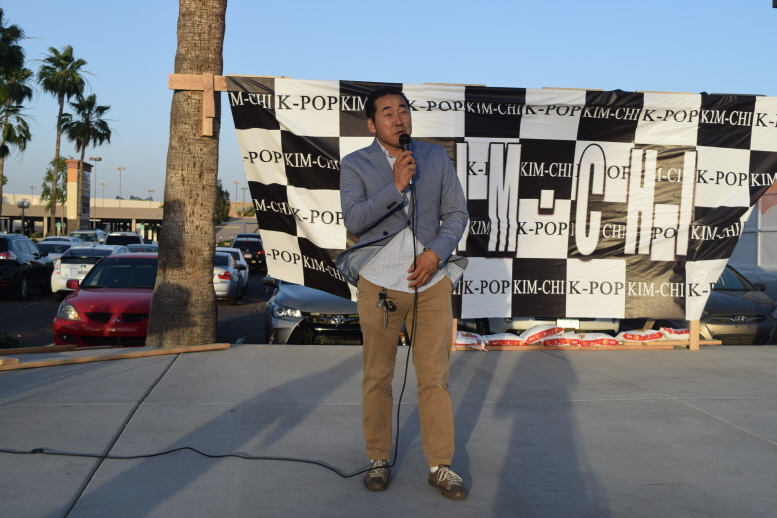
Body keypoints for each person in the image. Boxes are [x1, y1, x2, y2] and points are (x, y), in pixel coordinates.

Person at [336, 86, 469, 500]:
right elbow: (354, 219)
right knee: (378, 375)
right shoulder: (355, 164)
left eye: (404, 110)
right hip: (380, 283)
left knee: (435, 377)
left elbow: (456, 214)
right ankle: (378, 458)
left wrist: (435, 252)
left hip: (430, 282)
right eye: (388, 113)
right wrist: (395, 185)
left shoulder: (435, 157)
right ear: (372, 124)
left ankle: (440, 466)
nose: (399, 119)